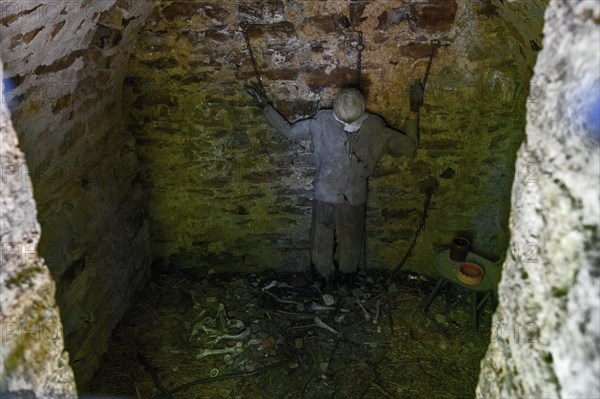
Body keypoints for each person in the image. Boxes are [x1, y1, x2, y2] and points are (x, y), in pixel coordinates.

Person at [245, 82, 423, 288]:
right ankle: (346, 282)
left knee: (322, 237)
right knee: (351, 241)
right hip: (354, 197)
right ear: (362, 107)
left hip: (325, 194)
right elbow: (410, 147)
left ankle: (321, 279)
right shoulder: (376, 127)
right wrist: (414, 109)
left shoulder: (321, 121)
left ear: (336, 107)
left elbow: (289, 132)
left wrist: (265, 106)